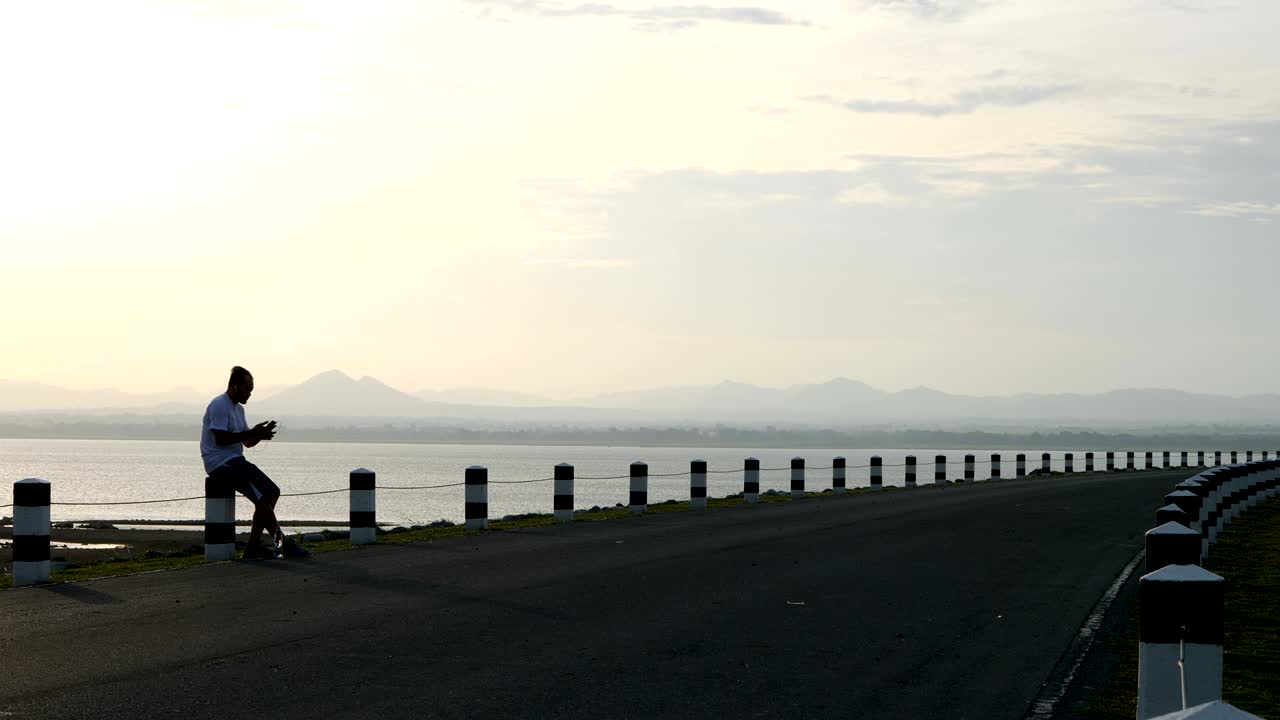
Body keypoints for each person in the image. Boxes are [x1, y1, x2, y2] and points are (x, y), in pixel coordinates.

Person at [200, 366, 309, 560]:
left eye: (252, 389)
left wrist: (259, 435)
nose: (250, 393)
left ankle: (252, 548)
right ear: (234, 386)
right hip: (219, 463)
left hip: (236, 461)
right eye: (247, 388)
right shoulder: (219, 405)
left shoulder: (239, 410)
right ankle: (281, 544)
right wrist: (251, 433)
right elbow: (221, 439)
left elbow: (246, 443)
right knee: (261, 498)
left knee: (272, 491)